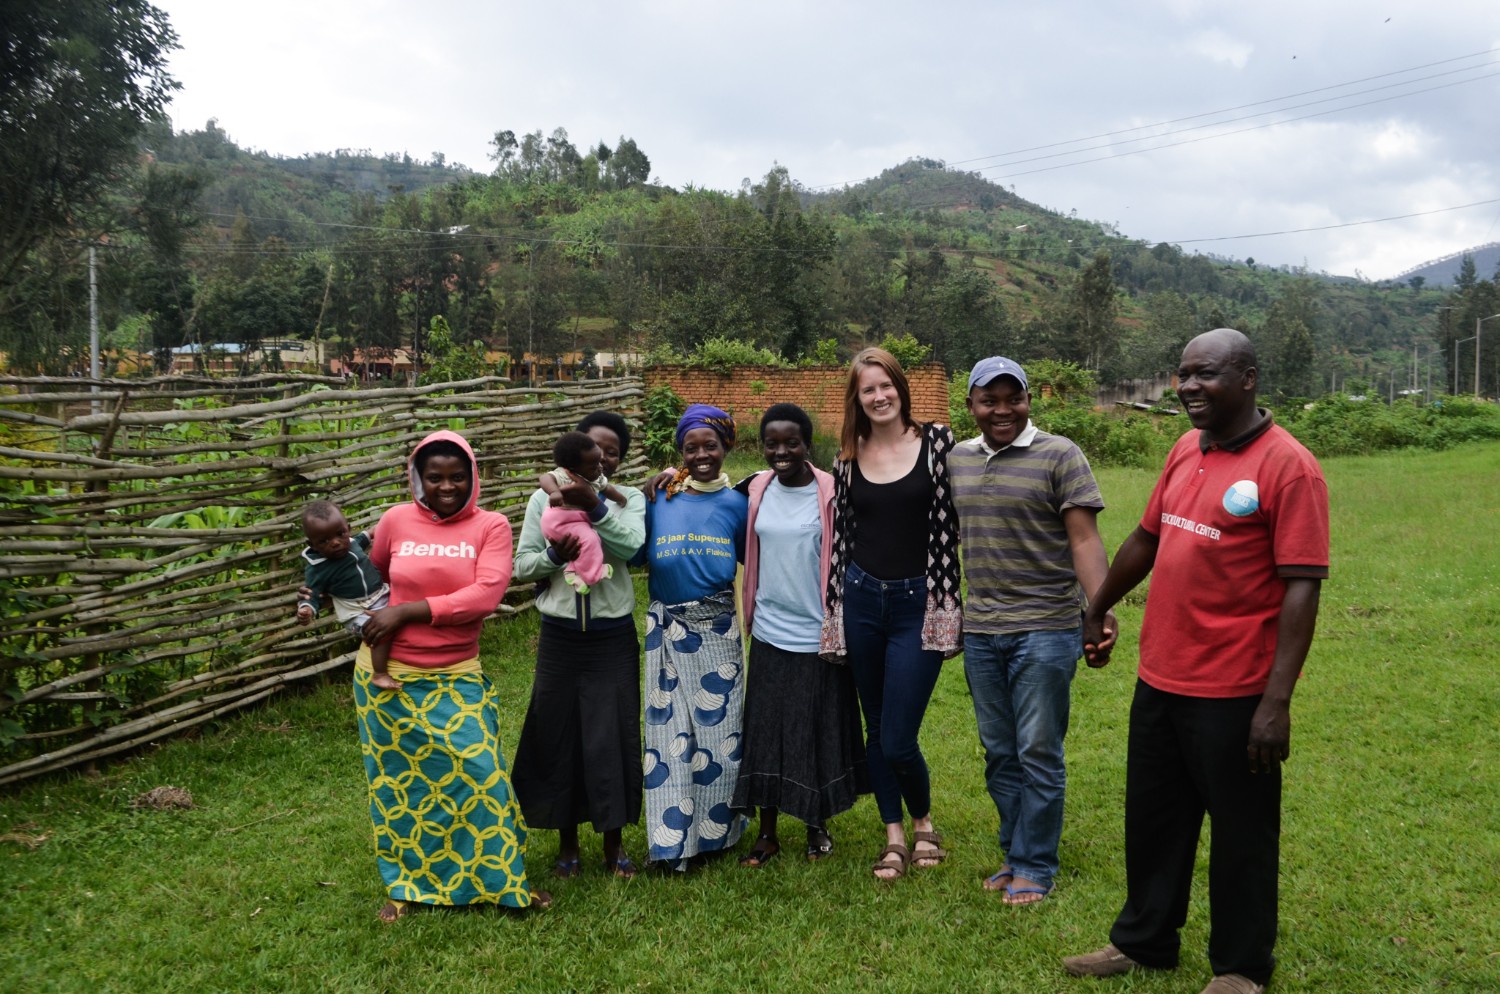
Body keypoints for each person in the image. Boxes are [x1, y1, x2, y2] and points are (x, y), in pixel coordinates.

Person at [1062, 329, 1328, 994]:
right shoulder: (1185, 448)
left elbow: (1302, 585)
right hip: (1162, 676)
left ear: (1247, 379)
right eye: (1181, 374)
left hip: (1235, 689)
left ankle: (1240, 968)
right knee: (1155, 820)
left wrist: (1276, 702)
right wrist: (1097, 606)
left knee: (1242, 832)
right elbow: (1146, 538)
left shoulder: (1288, 467)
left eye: (1204, 375)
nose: (1186, 387)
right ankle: (1145, 941)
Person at [351, 430, 547, 920]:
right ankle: (407, 887)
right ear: (417, 478)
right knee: (401, 787)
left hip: (455, 673)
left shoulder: (491, 526)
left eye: (457, 477)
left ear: (472, 478)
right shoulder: (395, 520)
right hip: (387, 676)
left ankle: (505, 881)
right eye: (434, 477)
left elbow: (485, 594)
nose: (446, 486)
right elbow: (372, 580)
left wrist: (409, 611)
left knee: (482, 776)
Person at [949, 356, 1116, 905]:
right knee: (999, 751)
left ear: (1028, 400)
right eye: (988, 400)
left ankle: (1035, 864)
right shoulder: (957, 460)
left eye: (1012, 398)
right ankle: (1014, 852)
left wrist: (1100, 605)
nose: (1002, 410)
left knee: (1038, 750)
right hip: (982, 629)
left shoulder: (1060, 454)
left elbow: (1085, 540)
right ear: (971, 404)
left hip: (1045, 628)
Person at [821, 347, 963, 881]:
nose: (879, 396)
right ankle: (895, 835)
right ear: (856, 399)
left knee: (899, 735)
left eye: (886, 386)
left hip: (920, 602)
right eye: (867, 389)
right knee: (875, 724)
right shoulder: (848, 455)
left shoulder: (939, 443)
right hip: (861, 598)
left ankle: (924, 819)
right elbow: (838, 532)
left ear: (901, 388)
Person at [730, 403, 868, 867]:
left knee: (815, 729)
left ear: (808, 444)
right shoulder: (754, 489)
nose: (781, 451)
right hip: (769, 631)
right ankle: (767, 833)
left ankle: (816, 825)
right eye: (772, 443)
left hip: (819, 633)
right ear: (762, 446)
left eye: (791, 442)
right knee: (766, 730)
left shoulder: (832, 492)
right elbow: (702, 491)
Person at [511, 411, 647, 880]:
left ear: (617, 458)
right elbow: (523, 566)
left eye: (612, 451)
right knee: (560, 735)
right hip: (560, 638)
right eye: (595, 447)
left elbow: (630, 548)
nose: (603, 457)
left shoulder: (627, 499)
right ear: (576, 451)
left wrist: (596, 508)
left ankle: (614, 846)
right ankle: (567, 845)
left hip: (611, 638)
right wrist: (554, 555)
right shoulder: (540, 500)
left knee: (612, 737)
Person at [640, 404, 749, 870]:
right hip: (665, 632)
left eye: (711, 445)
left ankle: (714, 836)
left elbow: (757, 559)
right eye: (691, 447)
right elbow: (626, 546)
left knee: (721, 738)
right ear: (679, 452)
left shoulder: (739, 505)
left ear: (726, 447)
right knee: (667, 739)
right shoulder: (659, 500)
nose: (702, 454)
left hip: (719, 630)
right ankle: (669, 844)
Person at [295, 499, 396, 690]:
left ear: (347, 529)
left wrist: (372, 532)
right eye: (324, 541)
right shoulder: (318, 568)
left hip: (379, 595)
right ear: (312, 544)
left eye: (340, 534)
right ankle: (380, 673)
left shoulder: (349, 544)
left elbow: (359, 541)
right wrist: (306, 608)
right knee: (380, 632)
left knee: (403, 615)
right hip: (356, 611)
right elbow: (312, 593)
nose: (335, 543)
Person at [536, 429, 628, 594]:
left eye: (599, 462)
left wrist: (621, 498)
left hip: (576, 520)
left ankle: (573, 571)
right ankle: (593, 574)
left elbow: (607, 489)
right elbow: (545, 478)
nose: (600, 468)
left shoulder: (595, 477)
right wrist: (554, 492)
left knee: (590, 540)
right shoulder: (565, 475)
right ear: (574, 468)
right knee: (590, 540)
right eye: (593, 466)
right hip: (559, 519)